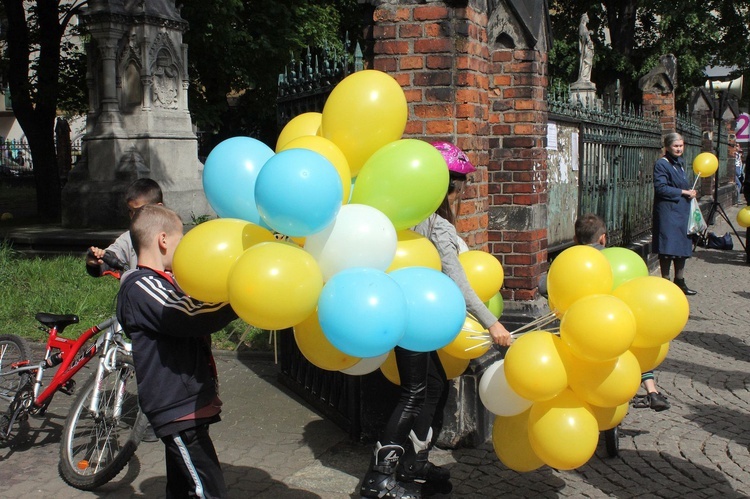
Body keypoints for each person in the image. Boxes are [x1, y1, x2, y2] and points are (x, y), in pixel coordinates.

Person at [359, 142, 512, 499]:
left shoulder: (404, 213)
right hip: (417, 316)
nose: (461, 192)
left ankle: (413, 462)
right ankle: (378, 478)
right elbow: (458, 280)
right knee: (413, 392)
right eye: (459, 184)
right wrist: (492, 322)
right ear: (448, 186)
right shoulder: (437, 223)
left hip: (401, 308)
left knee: (435, 384)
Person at [116, 204, 237, 498]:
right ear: (163, 240)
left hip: (185, 405)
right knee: (208, 490)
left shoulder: (164, 283)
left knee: (182, 489)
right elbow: (187, 316)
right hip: (175, 407)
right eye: (181, 239)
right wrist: (241, 296)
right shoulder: (140, 284)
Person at [574, 213, 670, 411]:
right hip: (616, 325)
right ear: (603, 238)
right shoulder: (617, 259)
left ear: (575, 239)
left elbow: (544, 286)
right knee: (638, 343)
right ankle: (652, 391)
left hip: (582, 329)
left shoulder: (571, 261)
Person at [86, 178, 163, 277]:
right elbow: (111, 258)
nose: (134, 217)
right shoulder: (128, 239)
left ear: (159, 208)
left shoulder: (173, 237)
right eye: (130, 211)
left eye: (139, 211)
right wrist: (96, 262)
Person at [652, 132, 698, 295]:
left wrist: (690, 192)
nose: (679, 149)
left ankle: (680, 281)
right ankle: (665, 282)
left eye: (681, 146)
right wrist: (683, 192)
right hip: (668, 212)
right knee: (668, 248)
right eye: (675, 146)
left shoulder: (680, 163)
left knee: (682, 247)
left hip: (682, 212)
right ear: (667, 146)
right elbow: (661, 188)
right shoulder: (662, 164)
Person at [577, 13, 594, 83]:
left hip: (588, 48)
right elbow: (582, 36)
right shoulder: (581, 26)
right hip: (585, 48)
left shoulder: (585, 27)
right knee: (586, 62)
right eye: (587, 18)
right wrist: (588, 33)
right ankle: (583, 77)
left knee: (588, 64)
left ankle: (586, 77)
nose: (588, 19)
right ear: (584, 19)